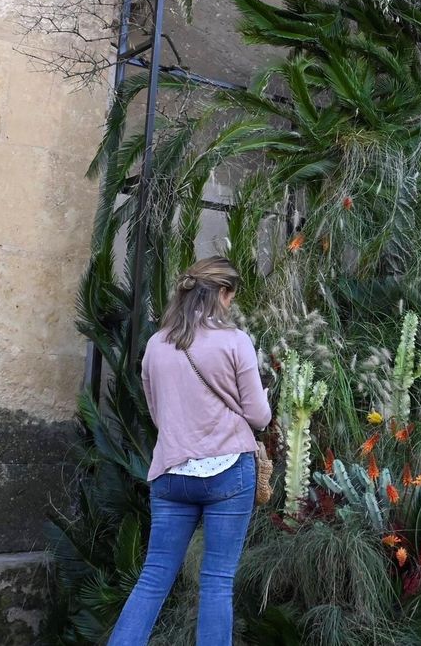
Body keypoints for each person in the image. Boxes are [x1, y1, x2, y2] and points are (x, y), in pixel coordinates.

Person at [108, 257, 272, 645]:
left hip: (171, 471)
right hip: (228, 470)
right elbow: (259, 417)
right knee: (216, 583)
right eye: (231, 297)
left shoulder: (156, 343)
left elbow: (158, 412)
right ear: (223, 294)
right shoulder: (235, 341)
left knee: (151, 580)